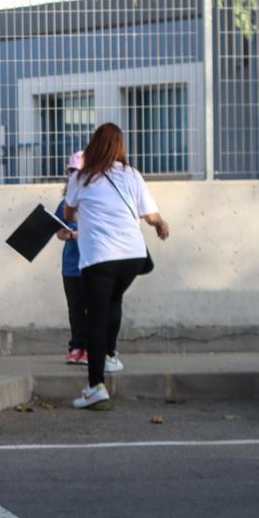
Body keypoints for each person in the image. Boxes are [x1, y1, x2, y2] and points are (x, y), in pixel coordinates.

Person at [64, 123, 170, 410]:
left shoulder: (82, 177)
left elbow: (69, 213)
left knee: (95, 318)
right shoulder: (132, 174)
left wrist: (82, 216)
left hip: (100, 257)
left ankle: (95, 386)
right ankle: (109, 356)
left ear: (94, 145)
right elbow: (151, 215)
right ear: (120, 147)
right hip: (133, 256)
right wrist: (160, 223)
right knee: (113, 300)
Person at [55, 151, 87, 366]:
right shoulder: (64, 204)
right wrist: (65, 234)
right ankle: (76, 347)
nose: (74, 177)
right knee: (75, 309)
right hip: (70, 266)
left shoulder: (94, 203)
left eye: (78, 172)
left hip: (91, 265)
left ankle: (91, 349)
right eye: (71, 172)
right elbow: (58, 231)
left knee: (92, 309)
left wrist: (79, 235)